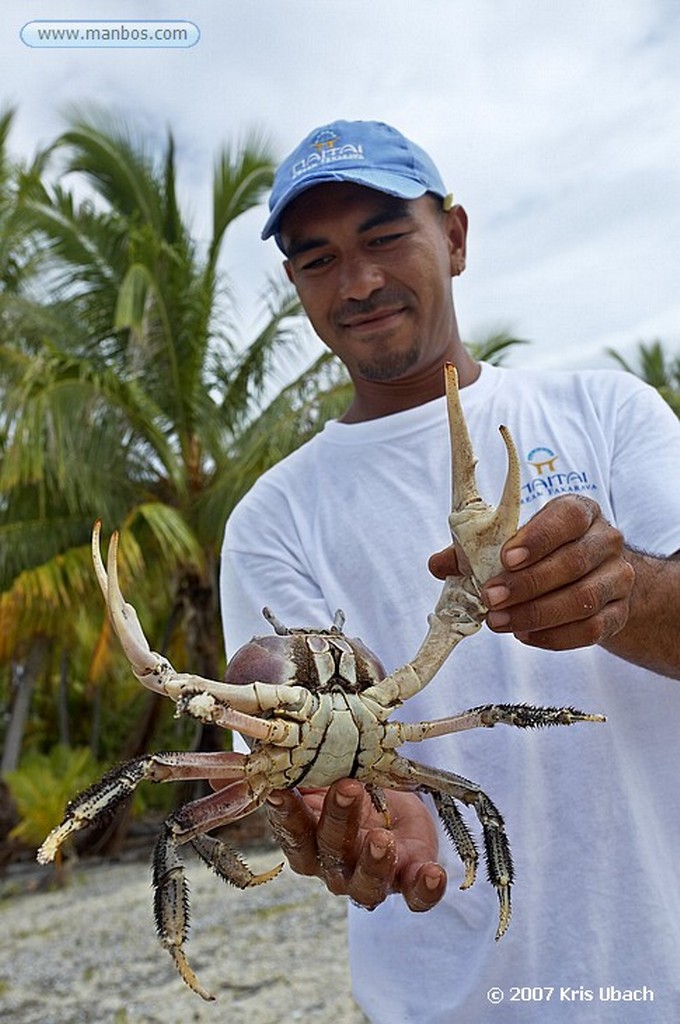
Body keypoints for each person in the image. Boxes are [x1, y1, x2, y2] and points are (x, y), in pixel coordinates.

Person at [219, 120, 680, 1022]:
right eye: (318, 260)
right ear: (294, 286)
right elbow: (286, 749)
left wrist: (624, 591)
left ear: (455, 237)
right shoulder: (274, 518)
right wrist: (344, 811)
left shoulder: (608, 411)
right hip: (452, 997)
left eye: (386, 237)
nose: (357, 283)